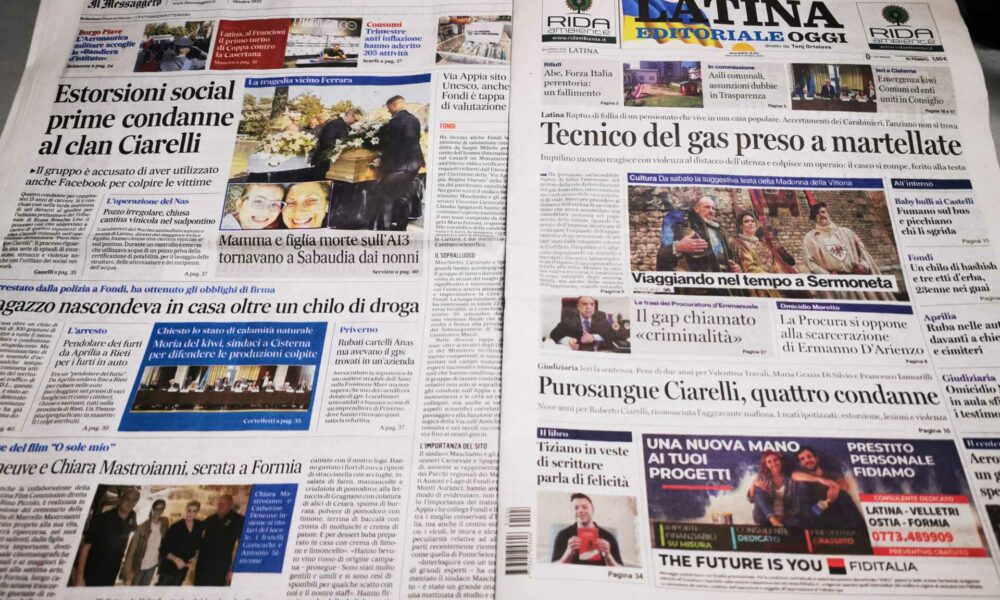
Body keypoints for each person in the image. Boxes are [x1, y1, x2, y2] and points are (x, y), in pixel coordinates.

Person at [802, 202, 895, 301]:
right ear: (814, 218)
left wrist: (863, 265)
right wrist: (827, 276)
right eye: (817, 213)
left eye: (823, 212)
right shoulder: (810, 238)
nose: (821, 215)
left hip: (858, 280)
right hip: (837, 285)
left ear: (828, 213)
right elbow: (810, 262)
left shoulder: (847, 232)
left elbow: (863, 252)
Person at [371, 95, 425, 230]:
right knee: (404, 196)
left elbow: (394, 144)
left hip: (399, 165)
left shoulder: (396, 120)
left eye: (388, 108)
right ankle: (401, 228)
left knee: (385, 195)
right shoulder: (414, 119)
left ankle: (384, 229)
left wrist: (382, 159)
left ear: (394, 105)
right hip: (413, 164)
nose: (388, 111)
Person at [656, 196, 742, 276]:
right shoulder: (686, 226)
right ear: (696, 209)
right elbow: (662, 255)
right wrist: (678, 247)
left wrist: (735, 268)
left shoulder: (721, 231)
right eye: (707, 207)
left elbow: (730, 259)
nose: (711, 211)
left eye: (713, 208)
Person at [74, 488, 140, 586]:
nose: (130, 503)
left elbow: (135, 530)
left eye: (134, 500)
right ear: (121, 499)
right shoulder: (102, 519)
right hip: (93, 571)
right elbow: (85, 548)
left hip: (112, 573)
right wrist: (79, 577)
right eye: (127, 499)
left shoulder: (132, 516)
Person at [791, 447, 867, 531]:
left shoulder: (832, 474)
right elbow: (794, 476)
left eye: (809, 457)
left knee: (843, 495)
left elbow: (844, 485)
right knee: (802, 488)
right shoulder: (802, 476)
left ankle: (859, 531)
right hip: (815, 514)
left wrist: (836, 488)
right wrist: (820, 480)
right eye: (802, 459)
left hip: (835, 510)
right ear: (801, 464)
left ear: (816, 459)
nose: (807, 460)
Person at [732, 212, 793, 299]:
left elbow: (774, 262)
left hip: (775, 282)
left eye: (752, 221)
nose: (750, 223)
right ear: (741, 226)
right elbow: (749, 266)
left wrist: (779, 274)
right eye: (746, 221)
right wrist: (770, 277)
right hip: (759, 284)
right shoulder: (739, 243)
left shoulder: (761, 243)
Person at [551, 493, 623, 566]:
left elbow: (620, 570)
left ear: (593, 509)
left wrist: (608, 555)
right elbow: (553, 568)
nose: (580, 510)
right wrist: (568, 553)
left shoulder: (608, 537)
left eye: (584, 507)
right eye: (576, 508)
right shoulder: (563, 535)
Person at [194, 495, 245, 586]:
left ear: (230, 505)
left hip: (220, 568)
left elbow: (242, 546)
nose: (220, 506)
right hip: (202, 566)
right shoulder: (212, 518)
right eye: (219, 504)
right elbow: (197, 531)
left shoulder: (238, 520)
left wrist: (234, 569)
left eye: (223, 504)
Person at [748, 452, 804, 527]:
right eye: (769, 462)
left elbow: (794, 505)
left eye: (775, 460)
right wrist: (754, 483)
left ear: (780, 461)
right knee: (758, 488)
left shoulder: (790, 478)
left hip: (785, 517)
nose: (773, 463)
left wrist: (782, 517)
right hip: (764, 517)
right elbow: (751, 499)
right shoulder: (763, 478)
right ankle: (773, 519)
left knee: (797, 521)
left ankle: (777, 523)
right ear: (766, 465)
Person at [122, 499, 169, 586]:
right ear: (152, 509)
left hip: (152, 565)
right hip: (139, 566)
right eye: (156, 509)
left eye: (161, 509)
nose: (158, 511)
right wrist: (128, 572)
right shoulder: (142, 528)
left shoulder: (164, 524)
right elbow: (131, 551)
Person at [158, 500, 203, 586]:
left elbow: (199, 545)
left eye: (194, 511)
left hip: (183, 571)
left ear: (197, 513)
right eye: (189, 510)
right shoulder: (175, 527)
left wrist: (195, 557)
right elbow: (163, 549)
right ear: (185, 510)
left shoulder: (198, 526)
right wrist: (176, 559)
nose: (190, 513)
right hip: (168, 570)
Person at [549, 296, 617, 351]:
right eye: (584, 304)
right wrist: (568, 341)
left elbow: (611, 334)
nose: (589, 307)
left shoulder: (600, 316)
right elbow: (554, 334)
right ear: (578, 306)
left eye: (592, 304)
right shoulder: (570, 317)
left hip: (597, 351)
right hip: (577, 352)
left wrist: (593, 337)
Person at [310, 108, 363, 178]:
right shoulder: (335, 123)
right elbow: (327, 141)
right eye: (356, 120)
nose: (355, 122)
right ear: (350, 115)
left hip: (333, 162)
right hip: (324, 161)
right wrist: (340, 150)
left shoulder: (347, 127)